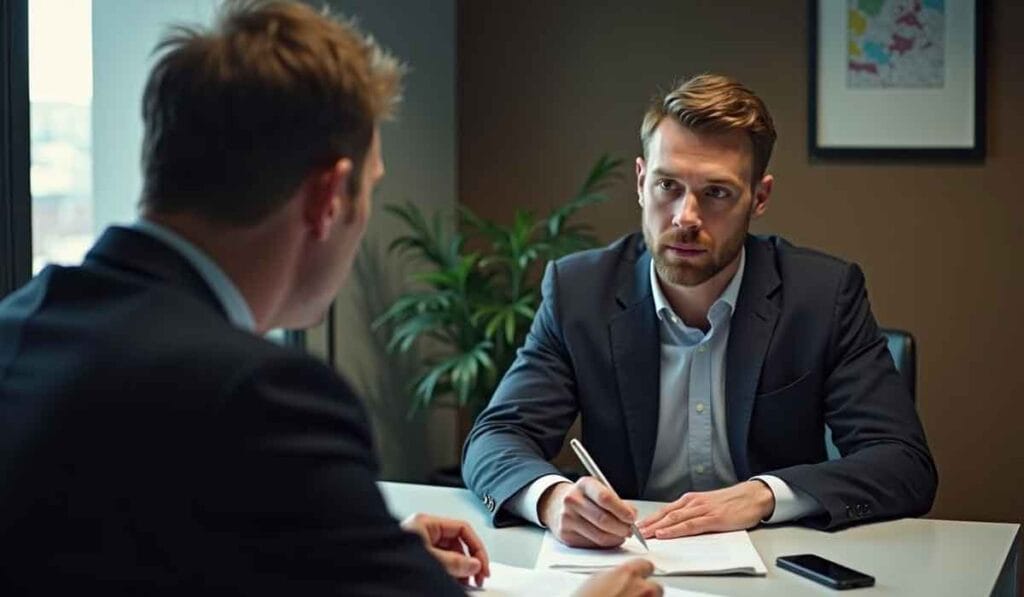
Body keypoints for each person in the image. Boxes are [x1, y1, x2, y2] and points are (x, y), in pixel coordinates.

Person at [0, 2, 660, 595]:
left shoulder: (21, 323)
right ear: (328, 197)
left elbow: (125, 541)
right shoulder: (262, 397)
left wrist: (359, 548)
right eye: (370, 189)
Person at [462, 73, 938, 548]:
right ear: (641, 181)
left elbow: (903, 463)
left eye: (716, 193)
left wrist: (764, 495)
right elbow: (497, 437)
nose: (685, 217)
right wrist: (551, 500)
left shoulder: (822, 296)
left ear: (760, 197)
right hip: (628, 557)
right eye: (668, 185)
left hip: (775, 561)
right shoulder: (579, 291)